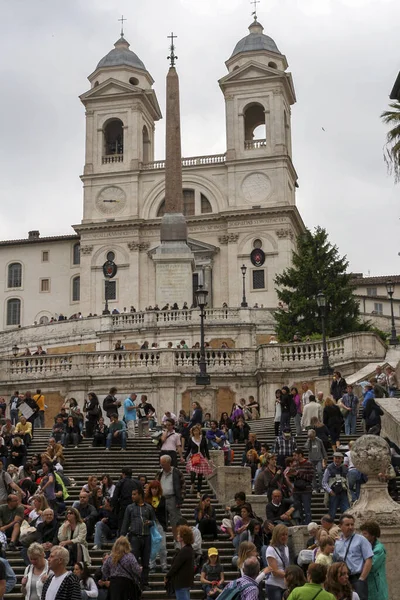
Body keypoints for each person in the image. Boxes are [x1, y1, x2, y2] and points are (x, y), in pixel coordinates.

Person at [120, 487, 155, 590]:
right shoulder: (130, 508)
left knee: (145, 562)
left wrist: (150, 522)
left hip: (146, 537)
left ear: (140, 495)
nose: (132, 496)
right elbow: (125, 522)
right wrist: (122, 536)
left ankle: (144, 583)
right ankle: (133, 582)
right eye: (132, 494)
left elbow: (154, 520)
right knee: (133, 561)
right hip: (134, 537)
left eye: (134, 494)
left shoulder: (149, 507)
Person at [333, 514, 373, 600]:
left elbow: (369, 560)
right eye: (347, 525)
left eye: (352, 524)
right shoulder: (338, 542)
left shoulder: (361, 540)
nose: (350, 527)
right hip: (343, 579)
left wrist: (361, 579)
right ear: (340, 526)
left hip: (357, 578)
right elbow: (335, 561)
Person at [156, 455, 185, 546]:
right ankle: (161, 543)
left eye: (163, 464)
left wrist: (180, 500)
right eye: (161, 464)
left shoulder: (177, 472)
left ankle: (177, 541)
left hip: (173, 498)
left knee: (175, 521)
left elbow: (183, 487)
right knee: (160, 521)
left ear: (169, 463)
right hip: (161, 499)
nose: (162, 466)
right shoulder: (159, 473)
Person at [360, 520, 388, 600]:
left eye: (365, 534)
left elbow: (371, 566)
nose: (363, 536)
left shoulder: (379, 549)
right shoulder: (366, 546)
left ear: (372, 535)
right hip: (367, 586)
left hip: (376, 587)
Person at [164, 524, 194, 600]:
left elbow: (175, 566)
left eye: (178, 534)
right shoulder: (188, 549)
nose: (177, 536)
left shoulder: (185, 550)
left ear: (182, 537)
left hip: (181, 583)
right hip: (185, 582)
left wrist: (167, 576)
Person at [145, 480, 168, 573]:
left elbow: (165, 513)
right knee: (151, 545)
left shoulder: (162, 499)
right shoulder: (147, 499)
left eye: (155, 488)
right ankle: (152, 565)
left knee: (163, 546)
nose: (154, 490)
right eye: (152, 489)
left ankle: (164, 565)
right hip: (151, 525)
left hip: (160, 524)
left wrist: (165, 525)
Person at [185, 424, 212, 498]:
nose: (195, 432)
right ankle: (192, 483)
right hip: (193, 457)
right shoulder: (191, 439)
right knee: (193, 473)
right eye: (194, 431)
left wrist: (209, 458)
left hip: (201, 457)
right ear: (192, 432)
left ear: (199, 431)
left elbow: (206, 449)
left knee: (200, 476)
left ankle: (198, 492)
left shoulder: (203, 439)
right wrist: (184, 457)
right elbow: (188, 449)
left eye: (197, 430)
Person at [265, 524, 290, 600]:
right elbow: (275, 572)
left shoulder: (286, 547)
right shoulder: (271, 549)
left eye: (286, 534)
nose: (285, 537)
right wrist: (290, 576)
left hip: (285, 584)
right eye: (282, 535)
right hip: (274, 585)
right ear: (277, 535)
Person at [322, 453, 349, 520]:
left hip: (343, 492)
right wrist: (329, 491)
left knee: (346, 511)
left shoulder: (345, 468)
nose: (337, 460)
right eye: (336, 458)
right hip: (333, 492)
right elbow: (324, 482)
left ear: (342, 459)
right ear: (333, 458)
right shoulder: (329, 468)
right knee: (332, 512)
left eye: (339, 458)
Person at [292, 450, 314, 525]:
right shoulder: (294, 465)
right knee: (298, 509)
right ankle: (300, 524)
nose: (294, 457)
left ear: (300, 455)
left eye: (295, 455)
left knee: (307, 509)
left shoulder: (309, 464)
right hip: (296, 490)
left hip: (306, 490)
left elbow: (310, 477)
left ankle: (308, 524)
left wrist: (299, 474)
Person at [304, 429, 327, 493]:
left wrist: (325, 457)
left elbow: (323, 449)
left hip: (319, 459)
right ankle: (314, 488)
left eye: (312, 436)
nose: (311, 438)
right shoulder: (309, 440)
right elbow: (306, 447)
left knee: (320, 472)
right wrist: (309, 440)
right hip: (311, 459)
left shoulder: (319, 440)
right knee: (312, 474)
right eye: (310, 436)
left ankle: (321, 487)